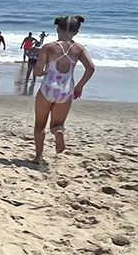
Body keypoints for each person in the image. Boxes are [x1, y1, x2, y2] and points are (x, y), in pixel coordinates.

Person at [31, 15, 95, 164]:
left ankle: (38, 156)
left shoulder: (49, 47)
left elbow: (38, 71)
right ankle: (58, 131)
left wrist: (43, 71)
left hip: (48, 87)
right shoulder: (78, 49)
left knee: (40, 124)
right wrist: (80, 86)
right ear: (76, 32)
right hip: (66, 90)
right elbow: (91, 68)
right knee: (56, 124)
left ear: (57, 29)